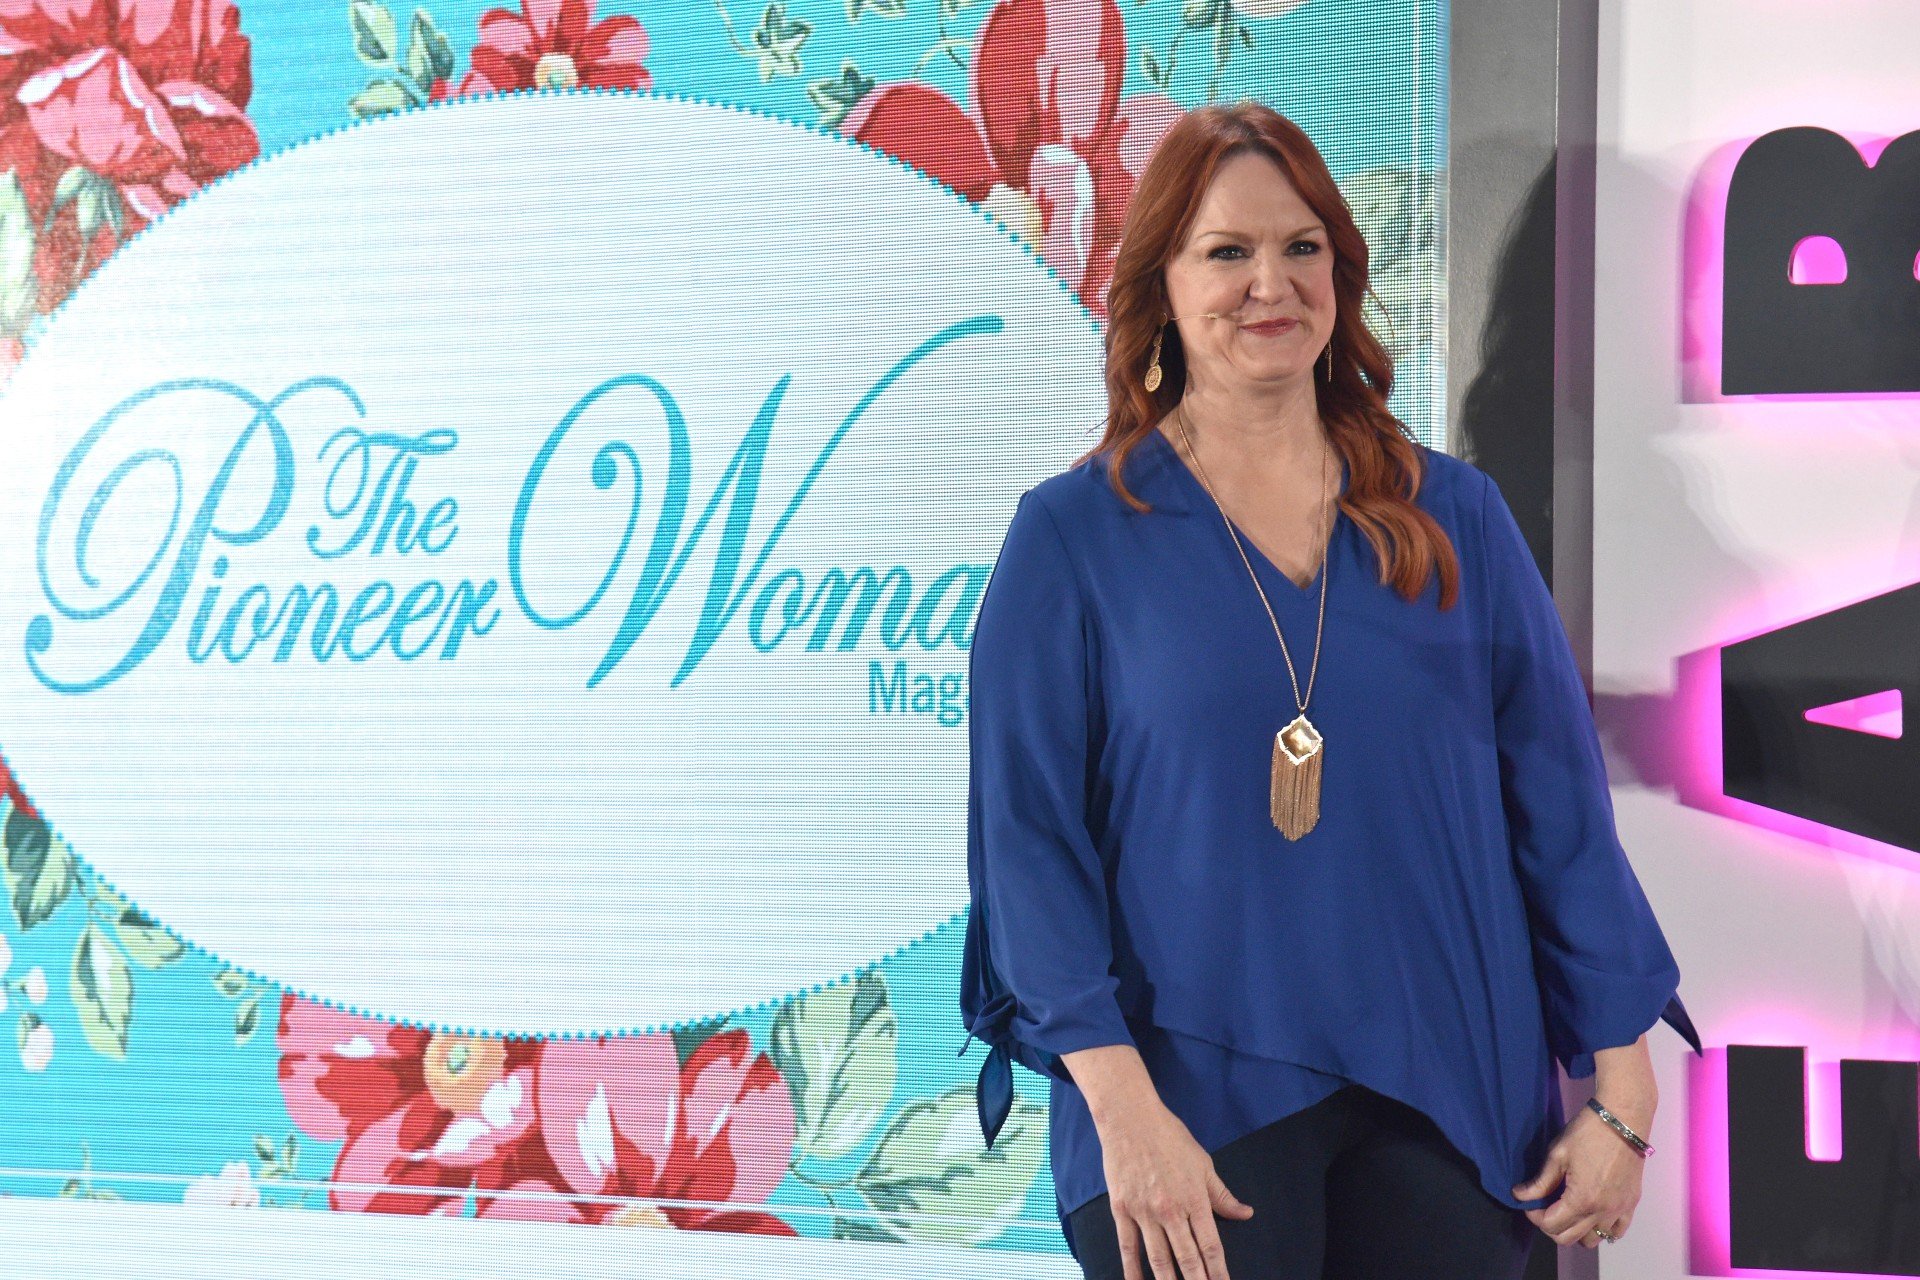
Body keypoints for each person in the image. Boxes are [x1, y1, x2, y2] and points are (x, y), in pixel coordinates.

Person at [957, 102, 1702, 1280]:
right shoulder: (1071, 539)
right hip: (1185, 1107)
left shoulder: (1457, 517)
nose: (1272, 283)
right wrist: (1120, 1110)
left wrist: (1623, 1076)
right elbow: (1027, 848)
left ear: (1341, 274)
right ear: (1161, 283)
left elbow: (1558, 809)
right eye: (1228, 252)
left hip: (1456, 1093)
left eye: (1302, 246)